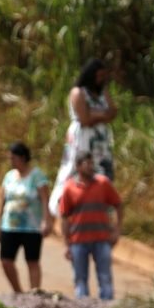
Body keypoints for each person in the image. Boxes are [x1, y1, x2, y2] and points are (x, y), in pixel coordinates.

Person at [50, 57, 117, 212]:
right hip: (82, 139)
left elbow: (113, 112)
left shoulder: (102, 92)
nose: (101, 79)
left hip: (101, 142)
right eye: (98, 76)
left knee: (101, 171)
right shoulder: (78, 92)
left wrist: (95, 114)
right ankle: (65, 205)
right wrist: (101, 115)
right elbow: (85, 119)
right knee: (77, 168)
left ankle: (99, 207)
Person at [58, 151, 123, 301]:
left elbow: (118, 205)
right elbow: (65, 217)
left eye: (91, 163)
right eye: (87, 164)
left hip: (101, 239)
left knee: (105, 278)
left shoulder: (103, 184)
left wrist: (117, 230)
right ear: (78, 167)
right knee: (80, 280)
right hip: (78, 240)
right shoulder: (69, 188)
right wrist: (67, 244)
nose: (90, 166)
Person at [0, 141, 52, 293]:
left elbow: (45, 200)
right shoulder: (9, 176)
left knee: (32, 261)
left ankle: (34, 292)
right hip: (9, 225)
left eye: (13, 158)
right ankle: (18, 291)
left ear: (22, 157)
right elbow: (3, 200)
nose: (11, 161)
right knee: (6, 260)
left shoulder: (37, 176)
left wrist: (46, 221)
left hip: (31, 227)